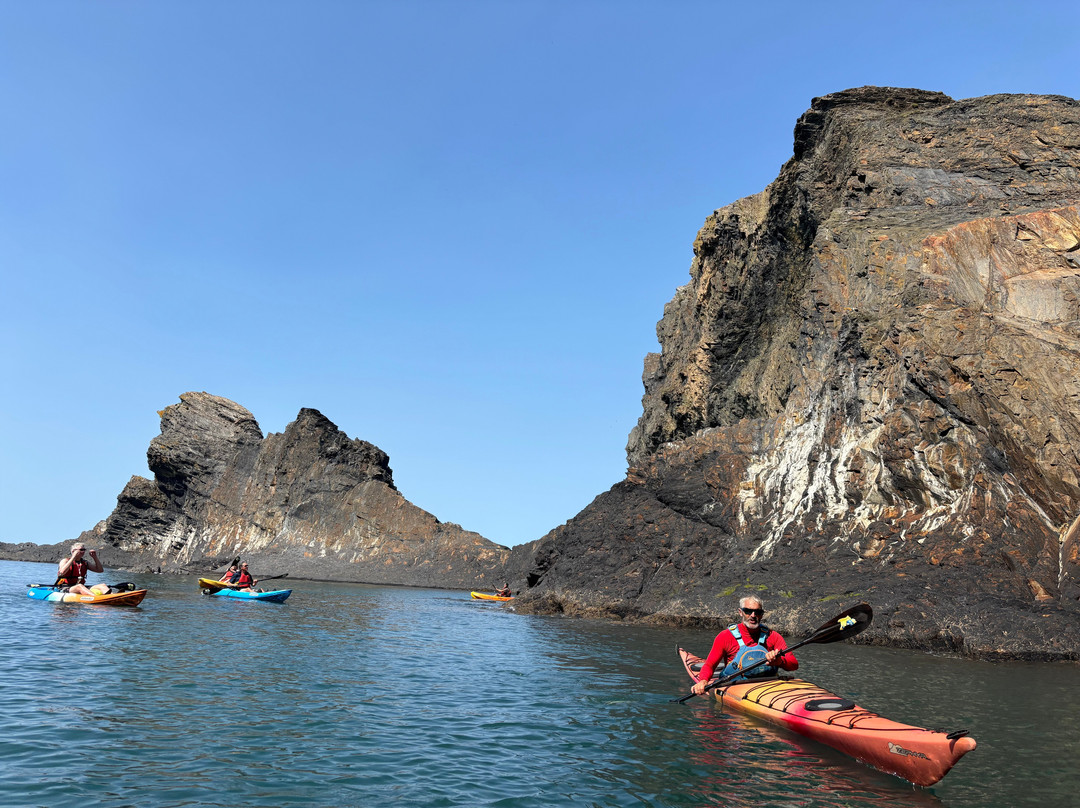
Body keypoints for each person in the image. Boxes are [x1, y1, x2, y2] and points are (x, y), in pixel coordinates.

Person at [690, 596, 798, 695]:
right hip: (737, 686)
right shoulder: (725, 636)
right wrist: (703, 681)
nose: (753, 615)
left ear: (762, 614)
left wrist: (780, 662)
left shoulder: (773, 636)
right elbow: (710, 665)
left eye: (757, 612)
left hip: (768, 685)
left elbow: (794, 664)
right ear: (740, 612)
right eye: (748, 611)